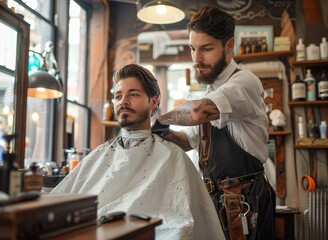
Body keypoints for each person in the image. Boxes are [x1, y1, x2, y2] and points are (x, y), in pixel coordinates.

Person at [51, 64, 225, 240]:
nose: (123, 101)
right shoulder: (101, 154)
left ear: (153, 101)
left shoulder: (171, 155)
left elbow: (181, 223)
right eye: (118, 96)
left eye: (133, 94)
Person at [152, 6, 275, 240]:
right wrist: (159, 133)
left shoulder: (244, 82)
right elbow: (189, 143)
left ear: (229, 45)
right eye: (192, 49)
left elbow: (198, 112)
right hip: (215, 200)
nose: (196, 59)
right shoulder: (212, 90)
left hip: (246, 201)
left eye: (206, 49)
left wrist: (160, 119)